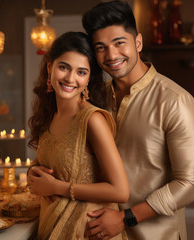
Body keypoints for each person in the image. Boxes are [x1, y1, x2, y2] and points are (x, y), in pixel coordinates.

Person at [82, 1, 194, 240]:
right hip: (101, 231)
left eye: (119, 43)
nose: (111, 55)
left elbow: (191, 184)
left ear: (138, 42)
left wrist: (126, 217)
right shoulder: (95, 98)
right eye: (100, 47)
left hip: (157, 234)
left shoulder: (175, 101)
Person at [26, 31, 129, 240]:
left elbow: (120, 191)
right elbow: (52, 163)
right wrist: (33, 171)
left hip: (85, 230)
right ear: (49, 67)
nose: (71, 79)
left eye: (81, 72)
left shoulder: (92, 119)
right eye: (64, 67)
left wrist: (58, 188)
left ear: (89, 78)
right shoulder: (49, 115)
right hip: (52, 224)